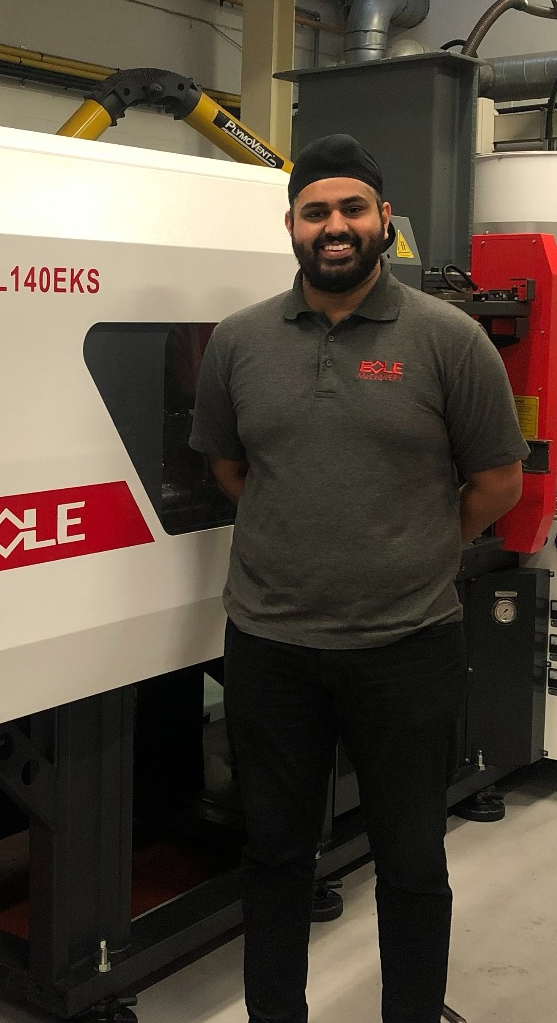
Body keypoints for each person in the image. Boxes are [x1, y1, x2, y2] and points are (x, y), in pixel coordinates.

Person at [191, 133, 527, 1023]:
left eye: (350, 209)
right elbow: (230, 470)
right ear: (292, 227)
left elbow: (497, 482)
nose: (333, 228)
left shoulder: (449, 341)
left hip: (406, 646)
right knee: (274, 857)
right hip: (270, 647)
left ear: (384, 221)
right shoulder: (239, 342)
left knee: (413, 858)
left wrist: (415, 547)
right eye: (315, 212)